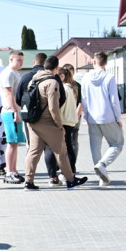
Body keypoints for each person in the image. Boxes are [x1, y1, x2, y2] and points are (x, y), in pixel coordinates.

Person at [22, 56, 87, 190]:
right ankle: (71, 180)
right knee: (61, 151)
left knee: (33, 152)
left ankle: (28, 181)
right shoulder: (52, 82)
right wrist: (59, 124)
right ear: (56, 68)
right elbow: (53, 107)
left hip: (33, 121)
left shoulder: (34, 80)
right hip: (48, 122)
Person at [79, 51, 123, 186]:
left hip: (92, 117)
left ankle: (101, 177)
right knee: (117, 144)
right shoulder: (109, 77)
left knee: (95, 147)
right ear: (106, 63)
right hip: (108, 116)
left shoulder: (85, 79)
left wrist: (86, 116)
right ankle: (102, 164)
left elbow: (84, 100)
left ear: (93, 62)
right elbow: (114, 100)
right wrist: (118, 118)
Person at [44, 67, 81, 181]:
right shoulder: (72, 88)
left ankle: (56, 175)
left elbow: (59, 106)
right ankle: (70, 173)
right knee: (69, 147)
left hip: (62, 120)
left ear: (62, 77)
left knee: (53, 148)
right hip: (70, 121)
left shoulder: (63, 89)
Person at [0, 50, 26, 184]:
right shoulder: (8, 73)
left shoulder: (15, 73)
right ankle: (9, 172)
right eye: (18, 60)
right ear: (11, 60)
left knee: (15, 143)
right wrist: (15, 111)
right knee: (11, 142)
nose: (21, 62)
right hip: (10, 111)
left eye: (22, 60)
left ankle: (14, 170)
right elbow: (9, 94)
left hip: (15, 111)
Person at [61, 63, 83, 170]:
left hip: (72, 116)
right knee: (68, 142)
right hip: (69, 116)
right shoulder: (64, 85)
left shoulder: (76, 86)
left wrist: (77, 115)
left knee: (72, 141)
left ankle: (72, 165)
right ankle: (68, 165)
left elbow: (80, 102)